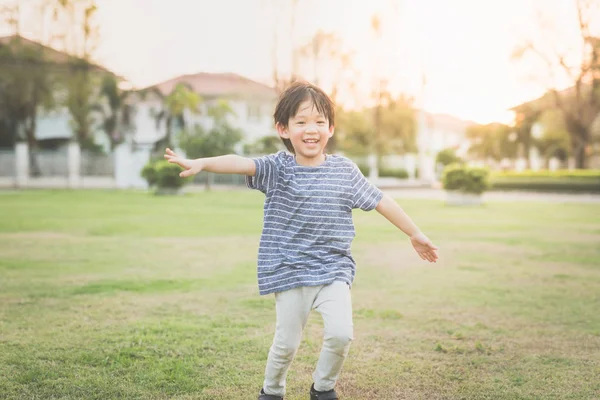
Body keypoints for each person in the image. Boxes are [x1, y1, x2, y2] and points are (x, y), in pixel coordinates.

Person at [164, 81, 439, 400]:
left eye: (320, 122)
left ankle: (323, 388)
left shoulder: (344, 171)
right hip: (289, 270)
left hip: (333, 270)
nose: (312, 129)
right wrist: (203, 163)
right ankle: (272, 390)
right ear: (283, 128)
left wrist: (414, 232)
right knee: (286, 344)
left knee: (341, 334)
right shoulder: (277, 169)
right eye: (302, 122)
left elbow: (380, 200)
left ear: (331, 128)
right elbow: (240, 162)